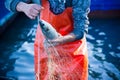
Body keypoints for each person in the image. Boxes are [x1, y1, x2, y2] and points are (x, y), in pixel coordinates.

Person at [5, 0, 90, 80]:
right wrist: (24, 7)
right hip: (44, 47)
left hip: (73, 52)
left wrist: (61, 40)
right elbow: (8, 2)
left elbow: (80, 30)